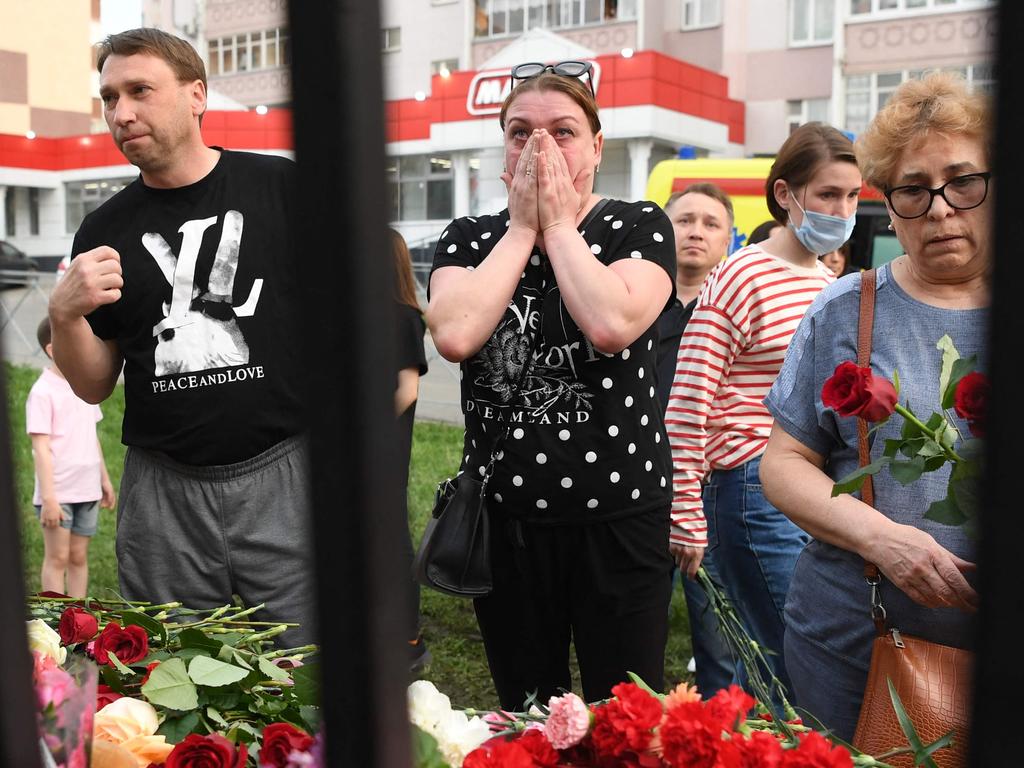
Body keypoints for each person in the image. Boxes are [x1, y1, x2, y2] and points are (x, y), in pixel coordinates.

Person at [47, 28, 315, 646]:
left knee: (311, 668)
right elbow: (91, 386)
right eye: (109, 97)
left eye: (140, 90)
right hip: (163, 489)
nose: (122, 112)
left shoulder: (280, 189)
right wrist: (63, 315)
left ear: (197, 95)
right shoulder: (104, 228)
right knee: (176, 677)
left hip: (284, 469)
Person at [426, 61, 676, 709]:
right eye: (519, 132)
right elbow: (455, 334)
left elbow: (612, 323)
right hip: (506, 522)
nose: (539, 147)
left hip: (620, 520)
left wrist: (559, 225)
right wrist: (521, 228)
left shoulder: (636, 225)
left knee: (625, 714)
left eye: (562, 131)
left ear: (597, 145)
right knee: (528, 710)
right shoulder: (469, 237)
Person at [759, 71, 987, 740]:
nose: (941, 209)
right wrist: (882, 540)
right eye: (914, 190)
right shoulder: (843, 311)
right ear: (889, 206)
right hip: (854, 640)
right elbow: (783, 464)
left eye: (963, 181)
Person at [665, 122, 860, 713]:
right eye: (827, 194)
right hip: (749, 488)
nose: (842, 209)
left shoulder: (832, 283)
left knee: (785, 661)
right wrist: (685, 513)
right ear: (785, 194)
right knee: (792, 658)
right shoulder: (741, 274)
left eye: (851, 196)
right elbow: (689, 398)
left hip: (813, 486)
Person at [654, 183, 737, 696]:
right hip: (639, 488)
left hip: (713, 491)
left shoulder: (732, 310)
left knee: (718, 641)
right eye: (685, 219)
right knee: (635, 631)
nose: (695, 232)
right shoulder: (636, 302)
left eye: (711, 223)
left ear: (729, 239)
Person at [27, 317, 116, 598]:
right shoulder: (42, 392)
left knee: (78, 557)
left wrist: (104, 480)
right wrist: (50, 499)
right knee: (58, 558)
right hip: (59, 494)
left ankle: (78, 620)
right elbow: (40, 448)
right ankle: (55, 620)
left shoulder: (85, 388)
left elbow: (91, 436)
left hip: (86, 490)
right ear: (54, 350)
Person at [391, 228, 431, 674]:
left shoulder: (403, 316)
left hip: (383, 446)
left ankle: (408, 639)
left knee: (393, 539)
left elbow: (405, 389)